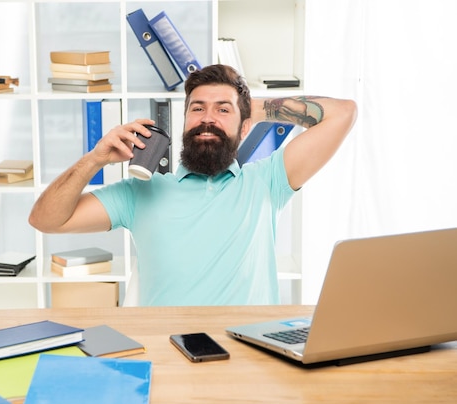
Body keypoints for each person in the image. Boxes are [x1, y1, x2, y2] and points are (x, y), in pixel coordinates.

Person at [29, 64, 357, 306]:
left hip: (249, 360)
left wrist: (249, 107)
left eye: (221, 110)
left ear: (246, 128)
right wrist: (95, 159)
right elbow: (45, 219)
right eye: (197, 109)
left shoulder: (267, 181)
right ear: (184, 121)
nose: (207, 118)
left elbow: (343, 112)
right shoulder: (141, 192)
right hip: (168, 356)